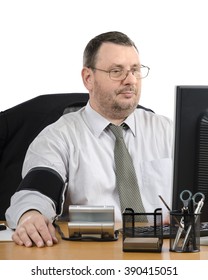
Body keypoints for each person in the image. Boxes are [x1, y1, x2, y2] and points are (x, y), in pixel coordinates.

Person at [6, 31, 173, 247]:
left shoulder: (168, 131)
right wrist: (31, 214)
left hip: (162, 252)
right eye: (116, 71)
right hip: (91, 251)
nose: (130, 80)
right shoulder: (58, 137)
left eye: (135, 70)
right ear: (88, 78)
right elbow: (37, 189)